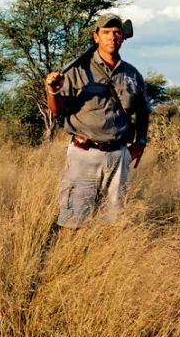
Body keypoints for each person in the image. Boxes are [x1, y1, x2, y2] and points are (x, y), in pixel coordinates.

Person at [43, 12, 149, 231]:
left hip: (119, 155)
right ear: (96, 36)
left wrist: (141, 142)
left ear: (122, 38)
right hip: (84, 153)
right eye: (106, 32)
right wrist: (52, 91)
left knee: (115, 220)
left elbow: (142, 110)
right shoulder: (76, 71)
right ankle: (69, 262)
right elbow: (57, 111)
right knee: (74, 219)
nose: (112, 37)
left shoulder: (132, 73)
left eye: (117, 32)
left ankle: (107, 264)